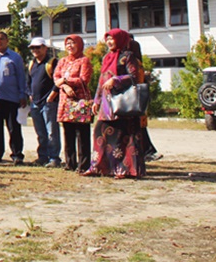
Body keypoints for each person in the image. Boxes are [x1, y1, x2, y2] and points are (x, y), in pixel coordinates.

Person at [85, 28, 146, 179]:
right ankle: (98, 166)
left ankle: (124, 170)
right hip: (107, 102)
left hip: (123, 102)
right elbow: (102, 80)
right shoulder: (107, 57)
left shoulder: (128, 56)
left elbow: (133, 76)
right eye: (107, 39)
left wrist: (116, 80)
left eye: (112, 39)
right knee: (100, 132)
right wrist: (96, 100)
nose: (109, 42)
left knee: (123, 136)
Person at [0, 31, 29, 165]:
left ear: (7, 41)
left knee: (13, 128)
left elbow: (21, 77)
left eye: (1, 39)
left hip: (12, 98)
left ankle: (17, 154)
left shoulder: (15, 57)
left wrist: (22, 94)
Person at [53, 34, 93, 173]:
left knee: (82, 133)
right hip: (65, 100)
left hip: (79, 100)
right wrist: (64, 86)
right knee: (67, 131)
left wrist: (65, 81)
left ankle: (84, 164)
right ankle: (70, 163)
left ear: (79, 44)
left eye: (73, 43)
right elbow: (56, 77)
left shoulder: (84, 60)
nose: (70, 46)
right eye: (67, 43)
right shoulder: (62, 61)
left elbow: (83, 79)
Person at [27, 37, 61, 167]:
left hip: (49, 103)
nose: (35, 50)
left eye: (38, 47)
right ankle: (42, 156)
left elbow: (57, 81)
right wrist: (29, 94)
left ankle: (54, 158)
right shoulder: (32, 64)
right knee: (40, 132)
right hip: (35, 103)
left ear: (45, 48)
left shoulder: (52, 63)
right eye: (33, 48)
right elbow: (28, 81)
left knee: (51, 131)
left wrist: (52, 96)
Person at [129, 35, 162, 162]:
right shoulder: (139, 63)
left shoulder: (134, 64)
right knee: (141, 128)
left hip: (134, 99)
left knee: (139, 128)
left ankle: (147, 151)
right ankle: (148, 150)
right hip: (140, 99)